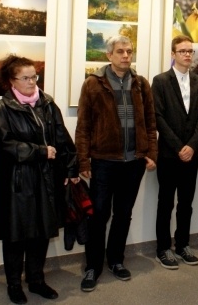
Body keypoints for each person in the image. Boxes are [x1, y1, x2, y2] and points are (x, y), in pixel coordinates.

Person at [0, 55, 79, 303]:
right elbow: (6, 147)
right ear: (12, 81)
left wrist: (71, 169)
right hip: (16, 183)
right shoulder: (2, 109)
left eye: (34, 77)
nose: (32, 82)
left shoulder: (47, 103)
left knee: (41, 232)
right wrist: (40, 152)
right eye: (26, 78)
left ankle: (36, 280)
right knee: (16, 236)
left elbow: (62, 138)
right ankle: (13, 284)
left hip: (46, 178)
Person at [75, 36, 158, 293]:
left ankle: (116, 260)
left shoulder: (141, 84)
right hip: (103, 162)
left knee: (123, 214)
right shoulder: (93, 83)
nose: (126, 56)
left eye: (129, 51)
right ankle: (93, 266)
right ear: (109, 55)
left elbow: (150, 122)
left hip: (133, 162)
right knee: (99, 215)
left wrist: (151, 152)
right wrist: (83, 160)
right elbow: (83, 125)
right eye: (120, 51)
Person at [152, 36, 198, 270]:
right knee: (166, 203)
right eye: (182, 51)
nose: (187, 55)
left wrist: (192, 146)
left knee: (186, 203)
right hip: (168, 154)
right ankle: (163, 248)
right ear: (173, 54)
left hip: (192, 154)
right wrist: (178, 147)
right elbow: (158, 117)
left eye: (190, 51)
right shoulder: (161, 81)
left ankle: (183, 245)